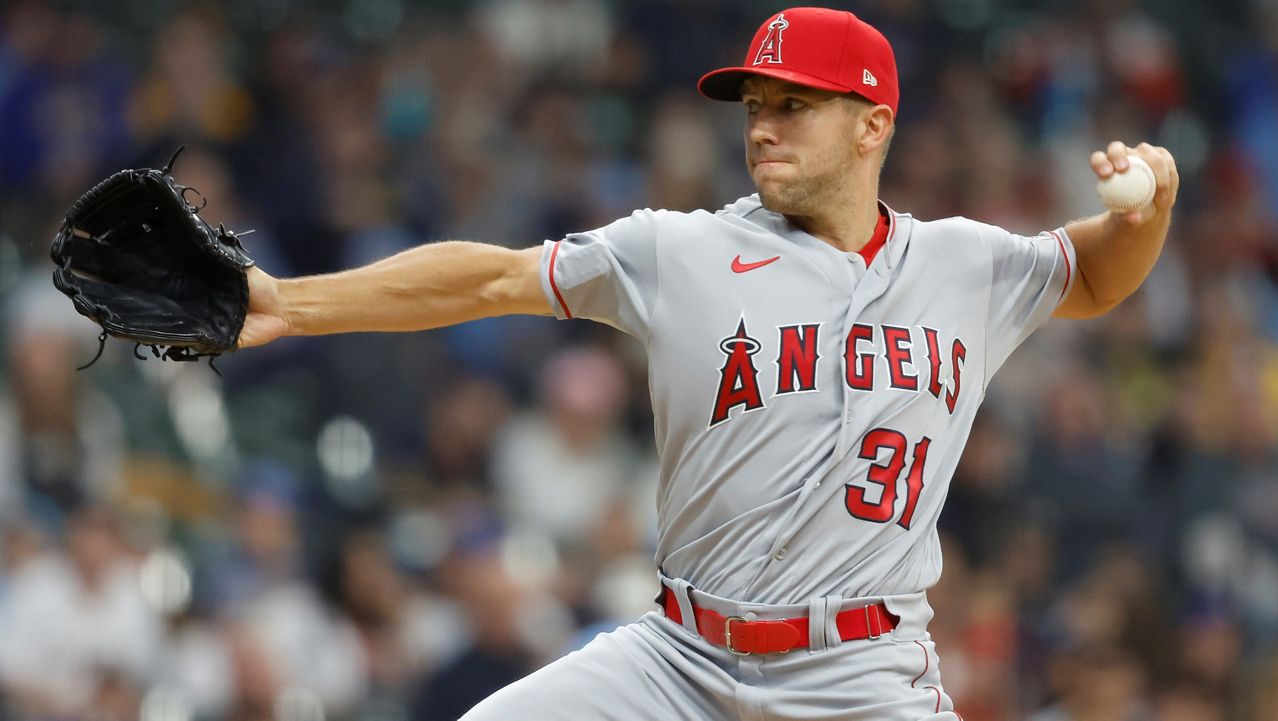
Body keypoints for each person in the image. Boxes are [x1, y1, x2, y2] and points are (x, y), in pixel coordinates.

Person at [238, 7, 1178, 720]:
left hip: (862, 677)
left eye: (795, 105)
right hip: (677, 661)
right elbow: (491, 279)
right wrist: (293, 302)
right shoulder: (677, 252)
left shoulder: (962, 264)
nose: (763, 125)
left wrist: (1151, 210)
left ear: (872, 124)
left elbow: (1095, 273)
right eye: (757, 105)